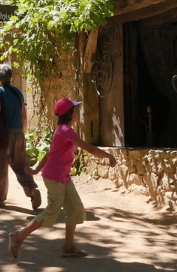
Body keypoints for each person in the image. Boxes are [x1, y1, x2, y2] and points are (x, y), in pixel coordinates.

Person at [8, 98, 117, 259]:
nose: (78, 112)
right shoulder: (65, 130)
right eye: (75, 109)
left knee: (75, 209)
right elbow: (89, 148)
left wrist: (36, 170)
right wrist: (109, 156)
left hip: (62, 177)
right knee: (52, 210)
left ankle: (68, 247)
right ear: (69, 114)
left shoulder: (62, 129)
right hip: (55, 178)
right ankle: (17, 236)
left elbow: (50, 152)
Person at [0, 63, 41, 209]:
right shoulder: (18, 92)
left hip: (3, 133)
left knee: (0, 166)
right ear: (10, 77)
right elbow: (24, 114)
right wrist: (22, 132)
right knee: (21, 164)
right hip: (18, 132)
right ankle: (31, 190)